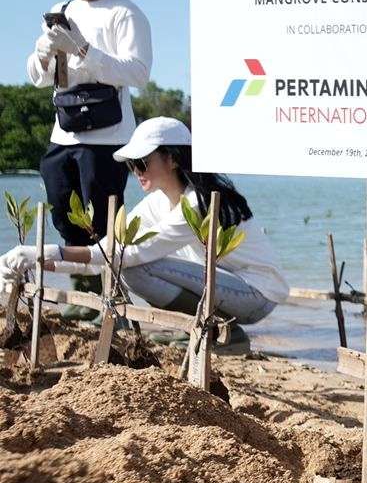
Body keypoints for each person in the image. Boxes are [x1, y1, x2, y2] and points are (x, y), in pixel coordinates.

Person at [0, 117, 288, 329]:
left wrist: (53, 252)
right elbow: (108, 252)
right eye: (131, 165)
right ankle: (202, 328)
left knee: (135, 267)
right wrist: (38, 261)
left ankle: (216, 331)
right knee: (124, 262)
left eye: (142, 162)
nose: (136, 172)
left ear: (172, 159)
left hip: (255, 295)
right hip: (220, 289)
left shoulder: (198, 204)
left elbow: (130, 255)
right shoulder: (157, 203)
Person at [23, 0, 152, 316]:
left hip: (109, 136)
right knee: (63, 213)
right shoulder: (60, 11)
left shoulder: (125, 13)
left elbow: (138, 74)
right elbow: (37, 77)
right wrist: (45, 50)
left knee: (103, 218)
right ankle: (85, 294)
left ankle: (107, 299)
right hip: (64, 131)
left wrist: (83, 49)